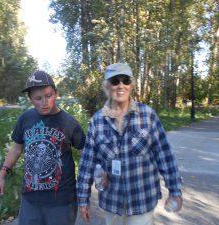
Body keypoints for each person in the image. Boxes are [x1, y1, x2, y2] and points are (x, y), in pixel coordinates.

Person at [77, 63, 183, 225]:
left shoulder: (147, 116)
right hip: (112, 203)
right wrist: (83, 200)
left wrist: (175, 190)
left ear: (131, 85)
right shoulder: (97, 121)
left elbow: (164, 155)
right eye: (115, 81)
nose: (121, 85)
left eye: (125, 80)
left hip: (142, 200)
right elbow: (87, 163)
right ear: (107, 85)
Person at [0, 70, 86, 225]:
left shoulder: (69, 122)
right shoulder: (25, 119)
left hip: (62, 201)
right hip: (30, 199)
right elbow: (16, 149)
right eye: (38, 98)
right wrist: (2, 175)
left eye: (49, 96)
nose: (45, 102)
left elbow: (86, 152)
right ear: (30, 99)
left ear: (56, 93)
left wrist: (91, 182)